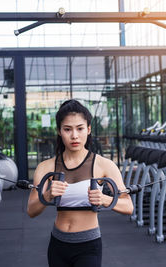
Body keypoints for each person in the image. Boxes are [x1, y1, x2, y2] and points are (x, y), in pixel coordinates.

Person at [27, 99, 133, 267]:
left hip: (88, 245)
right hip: (58, 245)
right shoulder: (45, 167)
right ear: (59, 131)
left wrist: (105, 199)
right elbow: (31, 211)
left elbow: (128, 207)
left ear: (89, 129)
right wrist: (47, 195)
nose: (74, 135)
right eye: (67, 129)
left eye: (80, 128)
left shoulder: (104, 165)